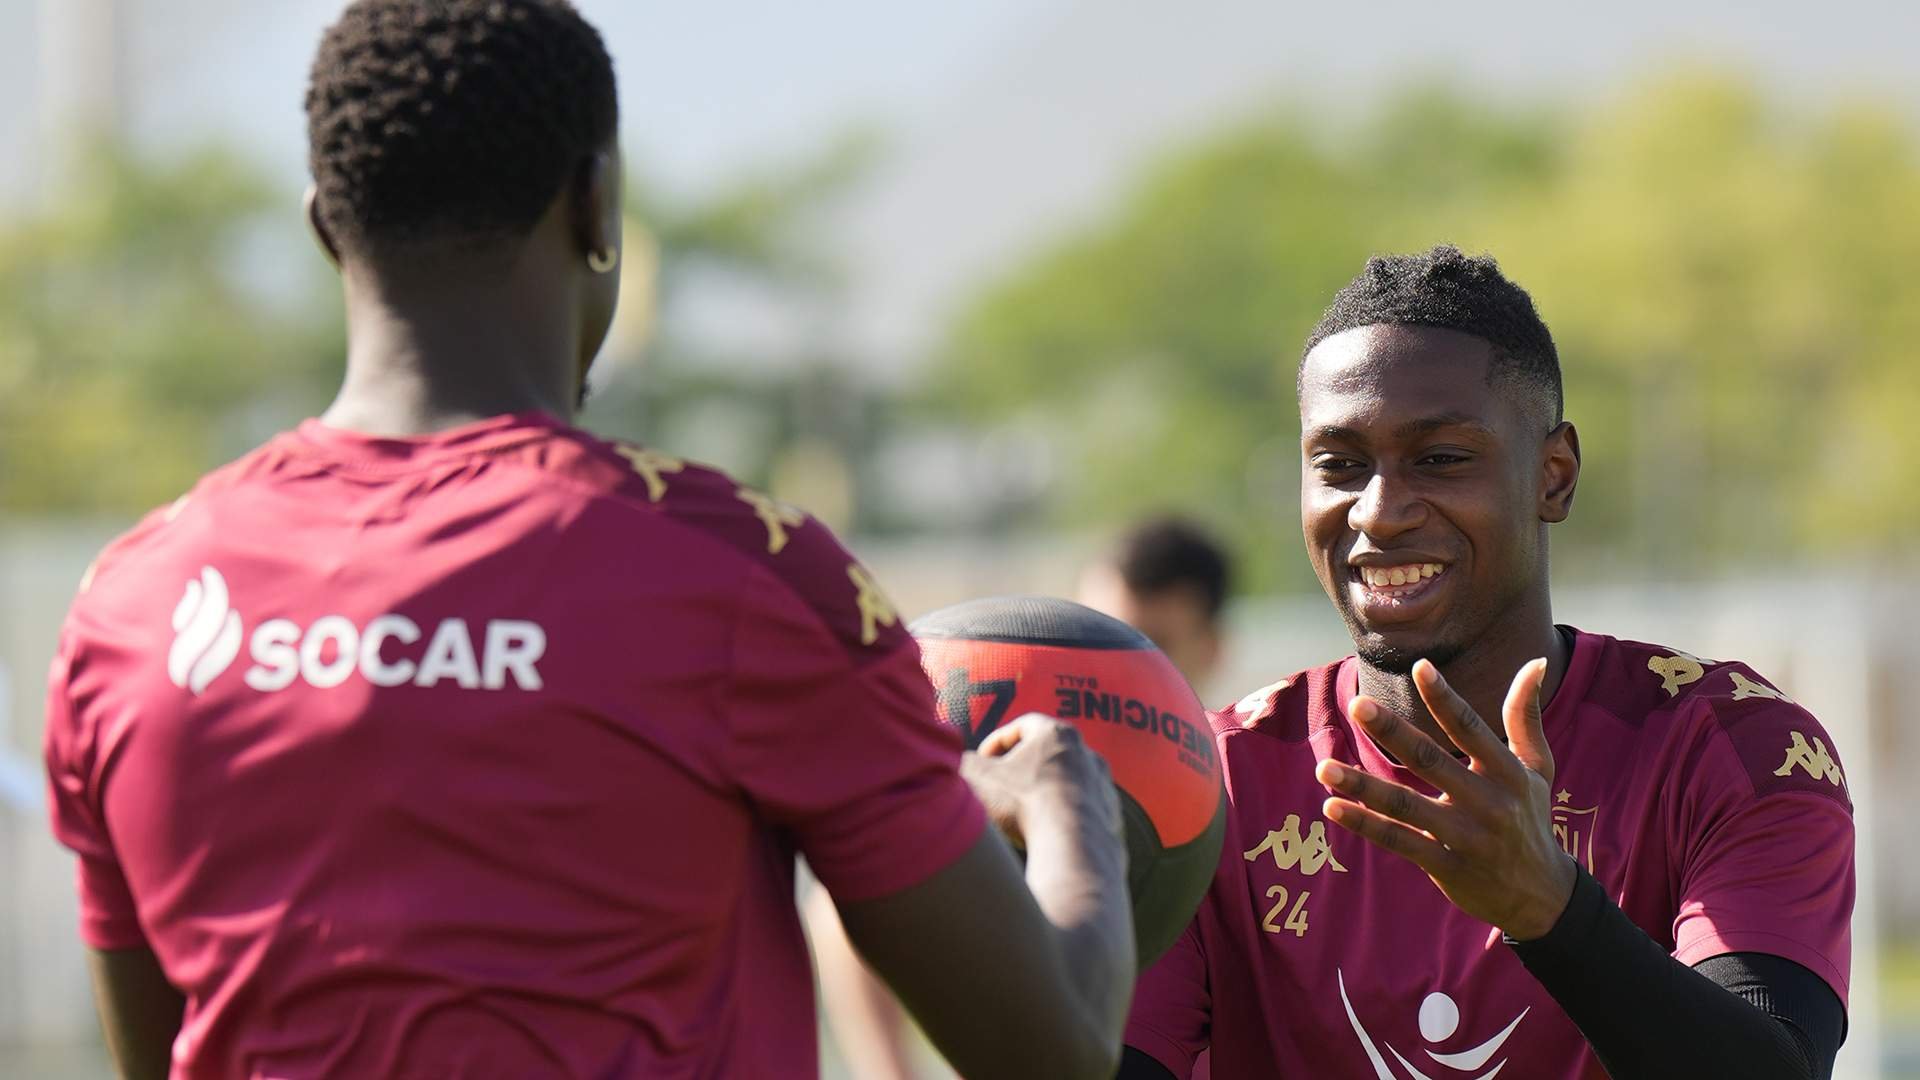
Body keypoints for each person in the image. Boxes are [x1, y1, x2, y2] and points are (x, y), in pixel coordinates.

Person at [41, 4, 1133, 1078]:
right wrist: (1068, 796)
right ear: (596, 205)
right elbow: (1056, 1052)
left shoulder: (134, 607)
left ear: (326, 226)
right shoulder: (744, 578)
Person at [1118, 245, 1853, 1079]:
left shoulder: (1731, 747)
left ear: (1554, 476)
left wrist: (1554, 913)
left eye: (1440, 459)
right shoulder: (1206, 786)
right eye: (1340, 465)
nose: (1378, 513)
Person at [807, 516, 1235, 1078]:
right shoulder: (1022, 777)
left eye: (1149, 643)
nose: (1117, 670)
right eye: (1101, 629)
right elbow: (848, 892)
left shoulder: (1240, 803)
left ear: (1212, 649)